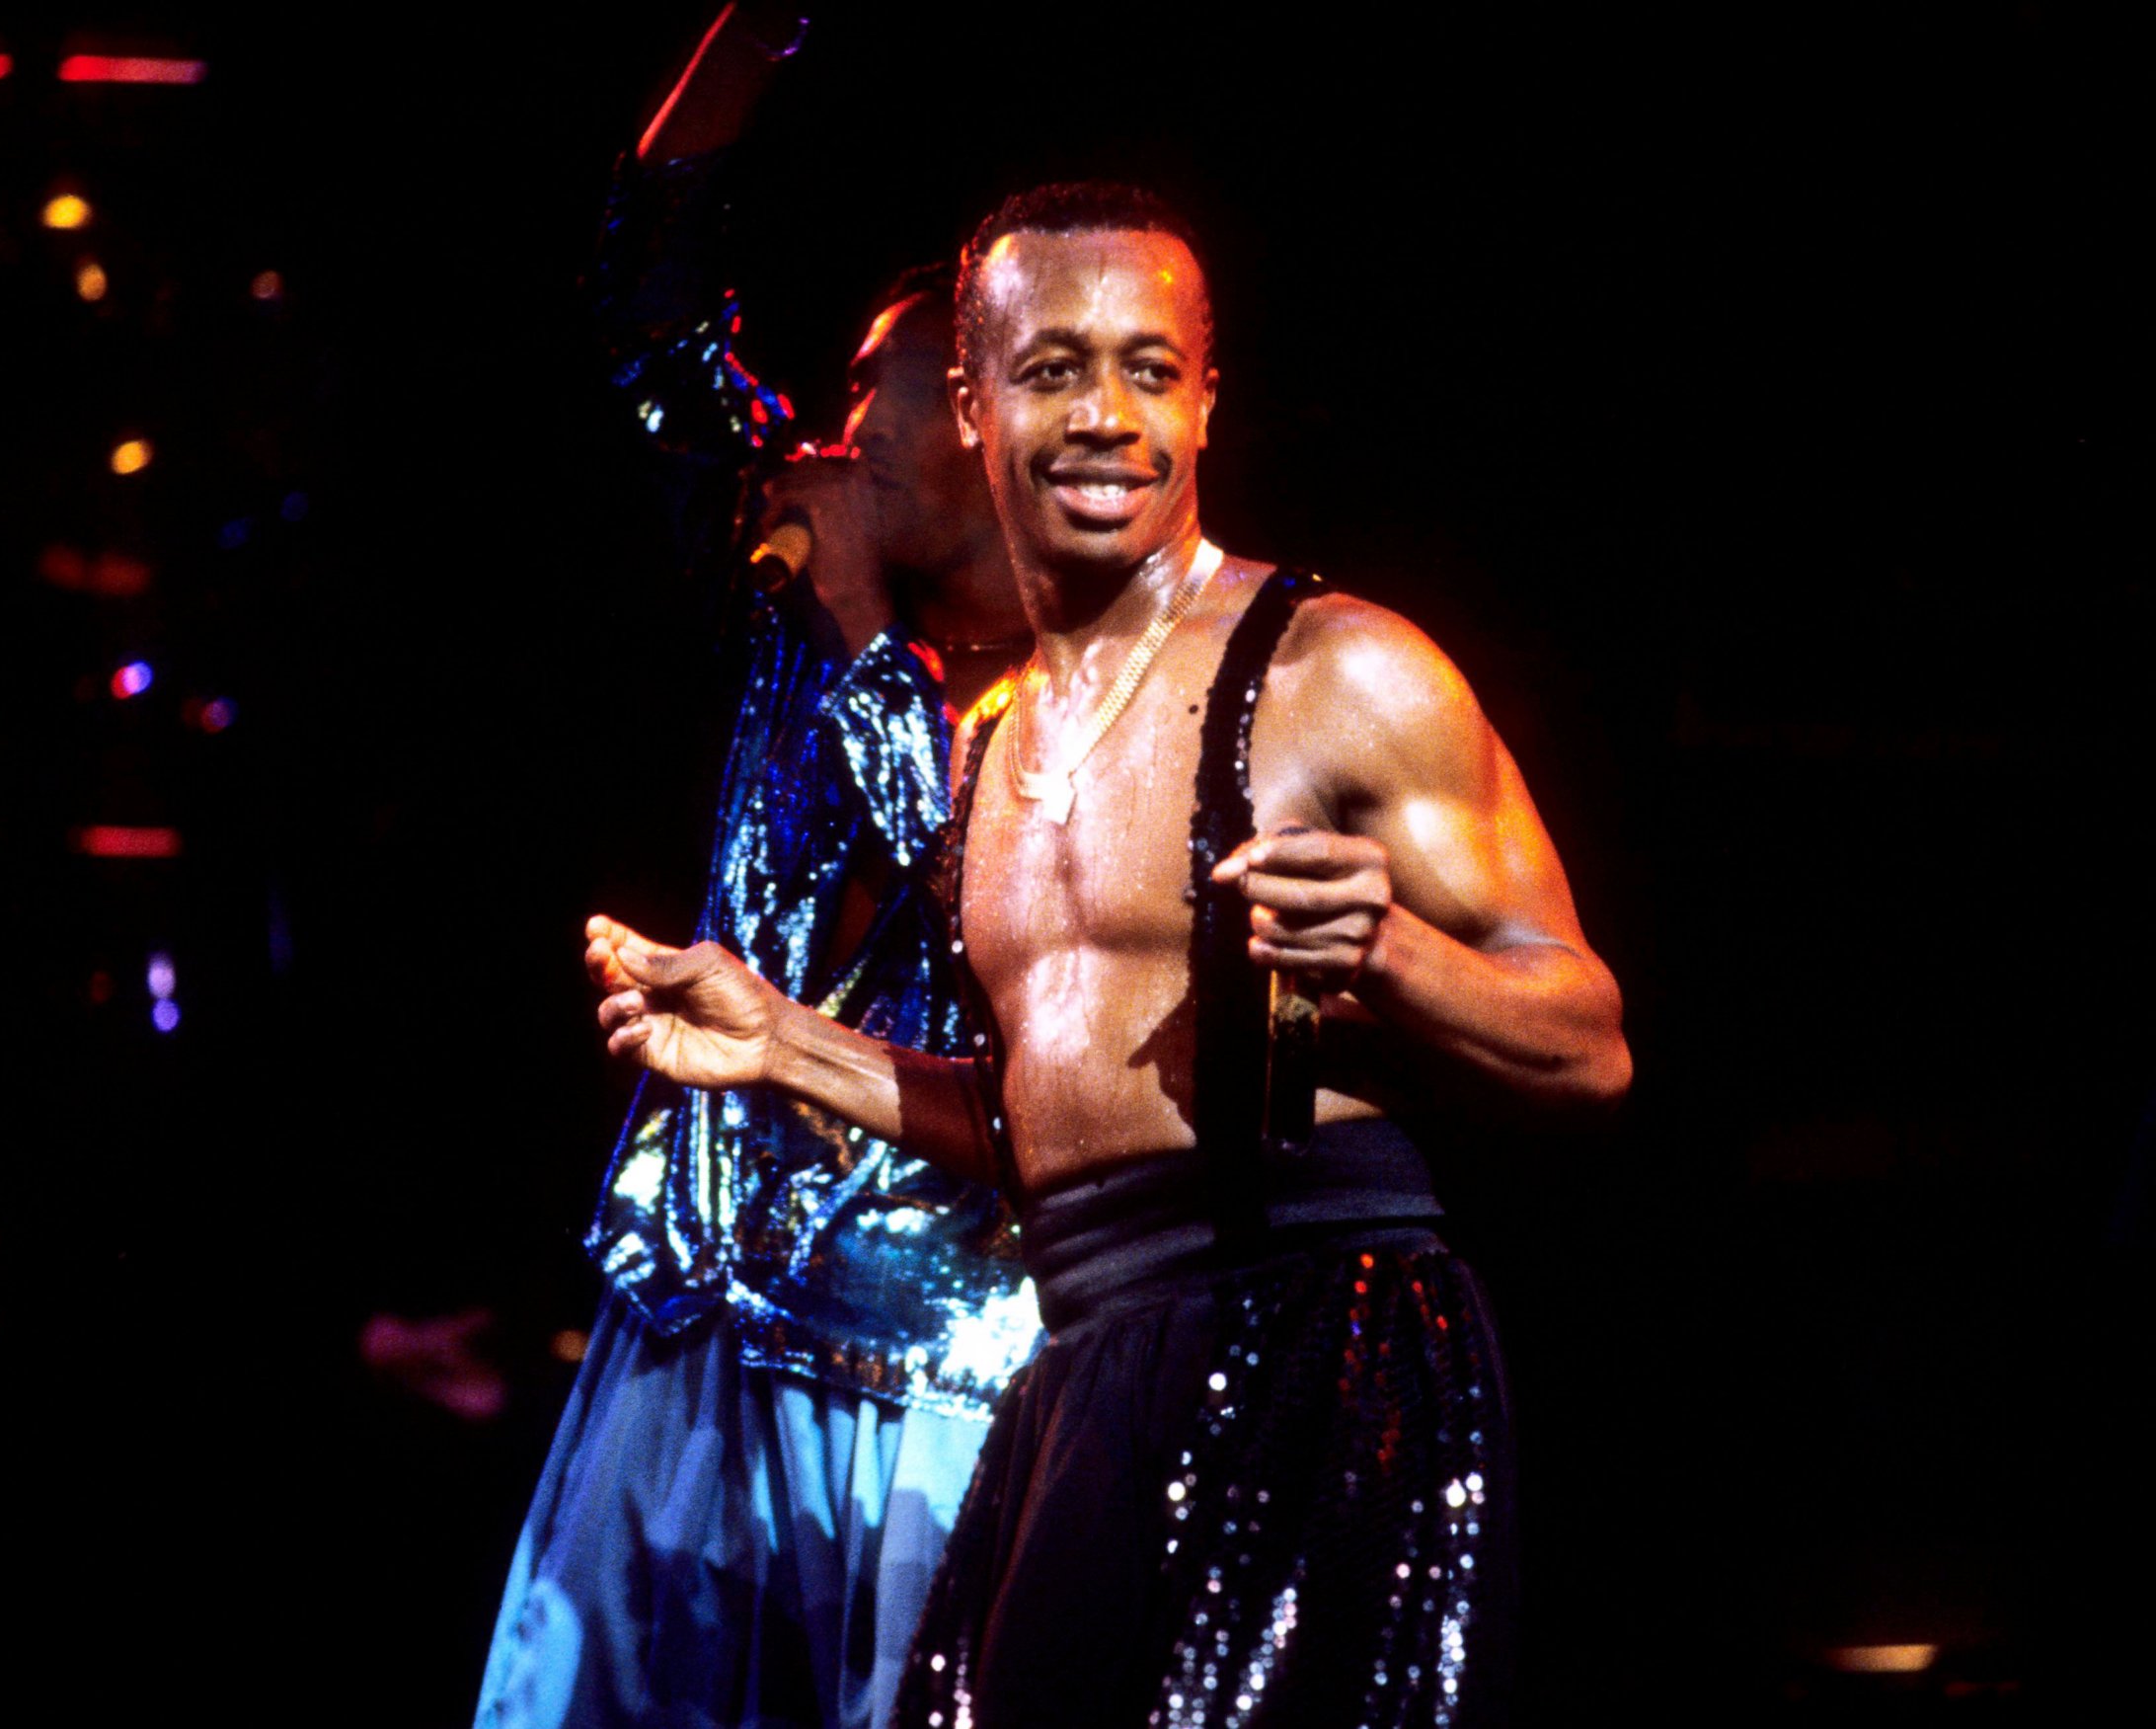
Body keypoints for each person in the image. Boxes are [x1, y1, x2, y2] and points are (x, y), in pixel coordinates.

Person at [582, 182, 1630, 1727]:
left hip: (1319, 1342)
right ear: (972, 397)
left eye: (1151, 370)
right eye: (1057, 367)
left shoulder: (1342, 670)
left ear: (1209, 403)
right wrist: (783, 1039)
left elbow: (1590, 1038)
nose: (1107, 419)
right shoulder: (990, 748)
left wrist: (1397, 950)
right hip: (1082, 1362)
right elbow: (1039, 1127)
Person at [471, 22, 1043, 1729]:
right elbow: (648, 302)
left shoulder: (1089, 692)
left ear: (988, 432)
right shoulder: (793, 610)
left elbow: (963, 886)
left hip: (929, 1376)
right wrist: (752, 27)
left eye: (884, 385)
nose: (840, 416)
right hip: (696, 1322)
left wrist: (863, 621)